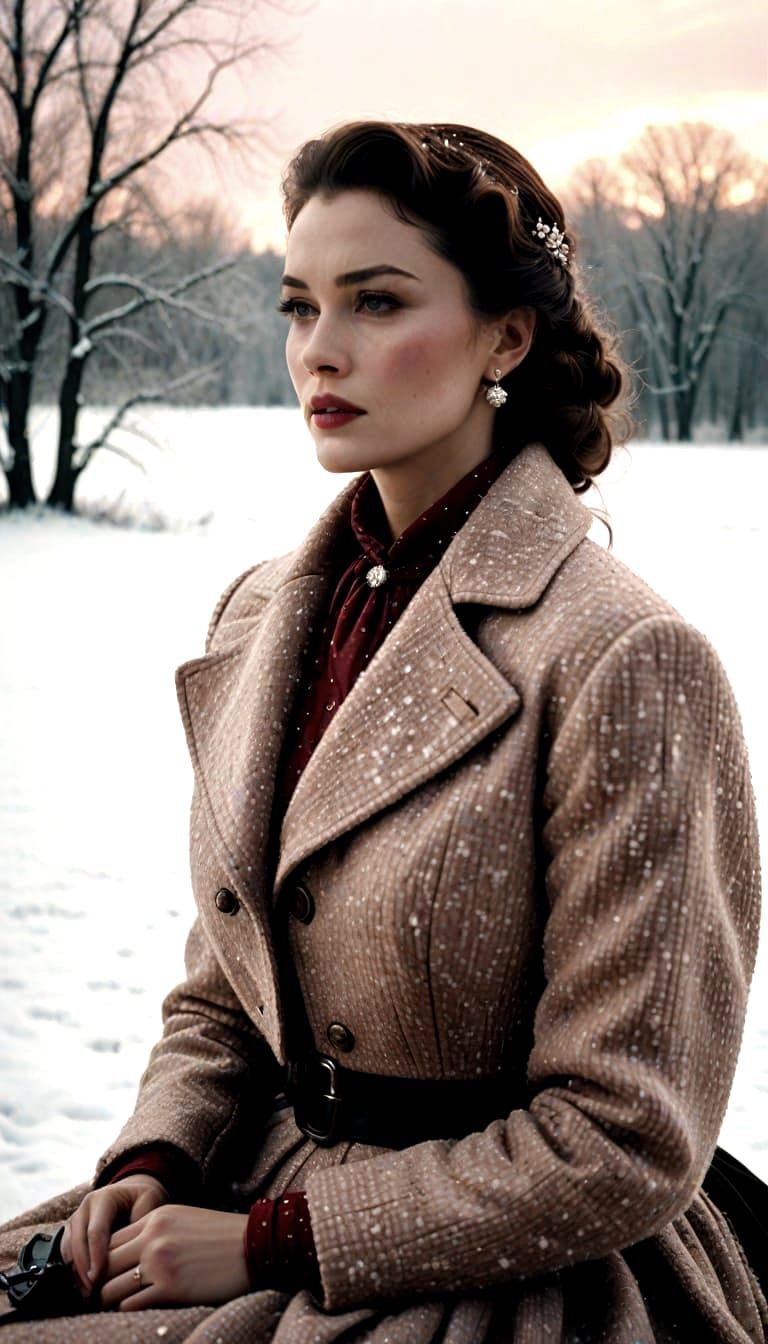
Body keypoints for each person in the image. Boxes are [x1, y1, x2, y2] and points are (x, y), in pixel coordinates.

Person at [0, 119, 764, 1343]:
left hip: (501, 1274)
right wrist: (160, 1154)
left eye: (377, 301)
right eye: (300, 306)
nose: (321, 351)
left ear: (507, 336)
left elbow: (627, 1137)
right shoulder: (263, 613)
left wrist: (269, 1245)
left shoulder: (626, 662)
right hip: (236, 1195)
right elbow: (227, 991)